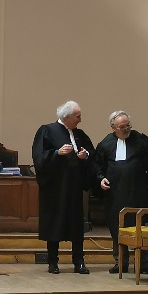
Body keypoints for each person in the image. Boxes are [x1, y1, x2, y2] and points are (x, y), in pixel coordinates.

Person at [95, 111, 148, 274]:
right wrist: (100, 179)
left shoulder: (140, 139)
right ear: (113, 128)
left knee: (141, 226)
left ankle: (143, 263)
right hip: (115, 193)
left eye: (128, 125)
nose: (127, 129)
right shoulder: (105, 144)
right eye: (122, 127)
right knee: (117, 227)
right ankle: (120, 262)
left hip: (137, 191)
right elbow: (97, 166)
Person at [31, 101, 95, 275]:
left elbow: (92, 152)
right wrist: (56, 153)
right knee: (55, 223)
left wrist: (85, 155)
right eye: (77, 116)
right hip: (55, 188)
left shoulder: (79, 134)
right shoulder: (47, 130)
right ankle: (53, 262)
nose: (80, 119)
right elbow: (39, 157)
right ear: (67, 117)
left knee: (76, 224)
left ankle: (79, 261)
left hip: (74, 187)